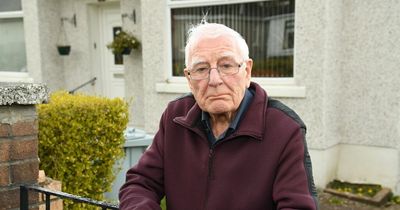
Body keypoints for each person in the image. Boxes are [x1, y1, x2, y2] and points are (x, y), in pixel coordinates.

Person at [119, 22, 319, 210]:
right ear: (189, 79)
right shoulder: (175, 117)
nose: (214, 80)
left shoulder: (285, 129)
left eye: (226, 66)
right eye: (201, 69)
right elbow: (140, 183)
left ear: (247, 71)